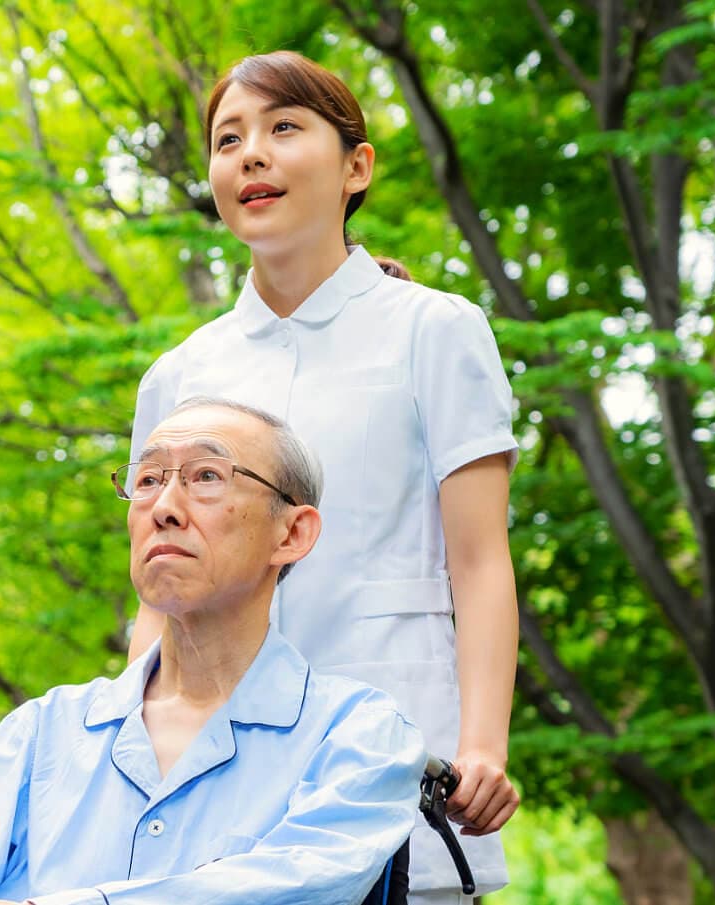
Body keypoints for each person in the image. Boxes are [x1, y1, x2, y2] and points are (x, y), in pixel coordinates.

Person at [127, 50, 521, 901]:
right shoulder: (178, 375)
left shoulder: (435, 331)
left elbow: (481, 560)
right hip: (206, 807)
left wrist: (482, 748)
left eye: (283, 128)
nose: (251, 154)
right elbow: (157, 606)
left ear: (356, 166)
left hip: (396, 780)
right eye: (228, 139)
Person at [0, 399, 423, 905]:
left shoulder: (360, 735)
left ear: (291, 533)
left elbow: (296, 886)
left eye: (207, 476)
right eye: (149, 480)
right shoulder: (44, 732)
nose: (163, 507)